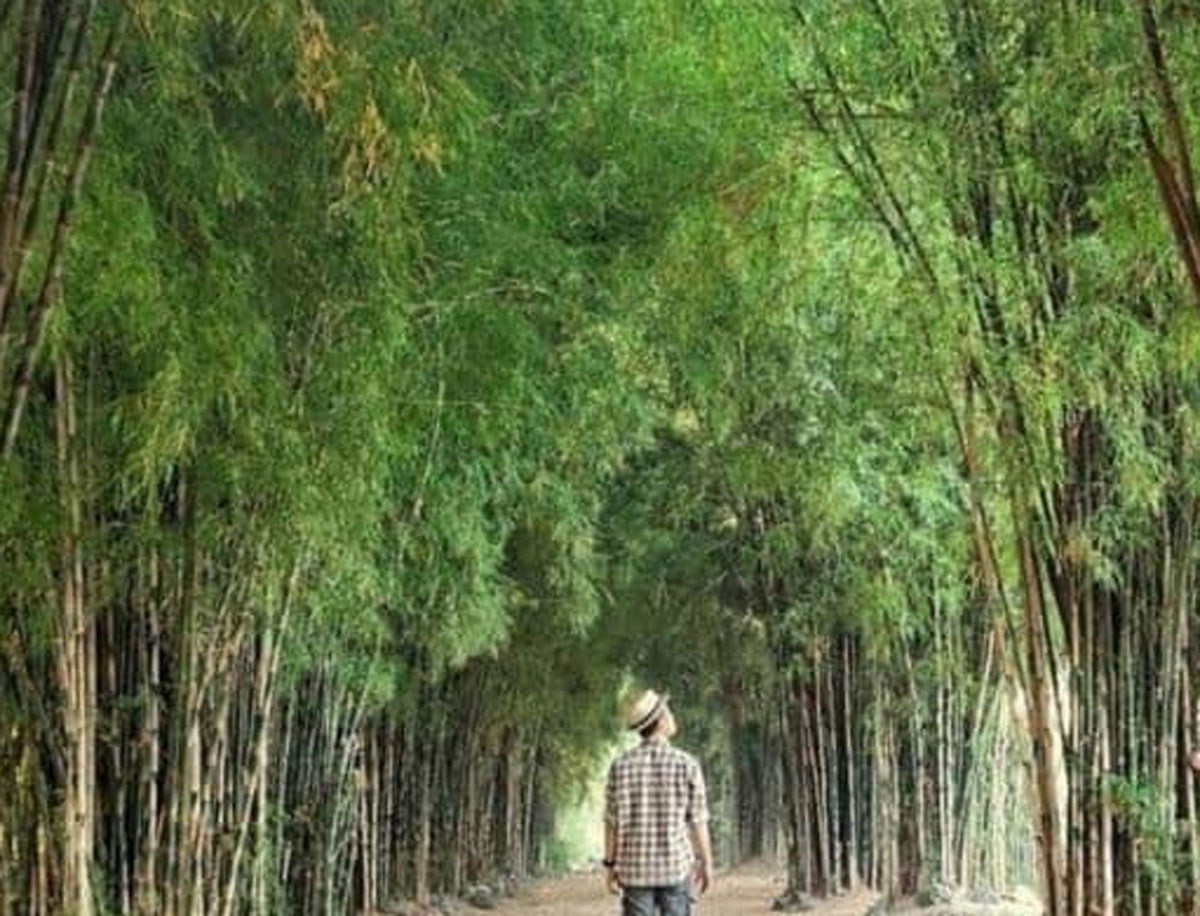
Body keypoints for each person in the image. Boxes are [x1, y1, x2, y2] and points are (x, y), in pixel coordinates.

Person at [603, 689, 714, 916]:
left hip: (635, 871)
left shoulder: (620, 766)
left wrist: (610, 865)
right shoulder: (687, 764)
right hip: (675, 867)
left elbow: (611, 823)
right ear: (661, 719)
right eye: (669, 712)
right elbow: (698, 821)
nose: (673, 717)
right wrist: (707, 862)